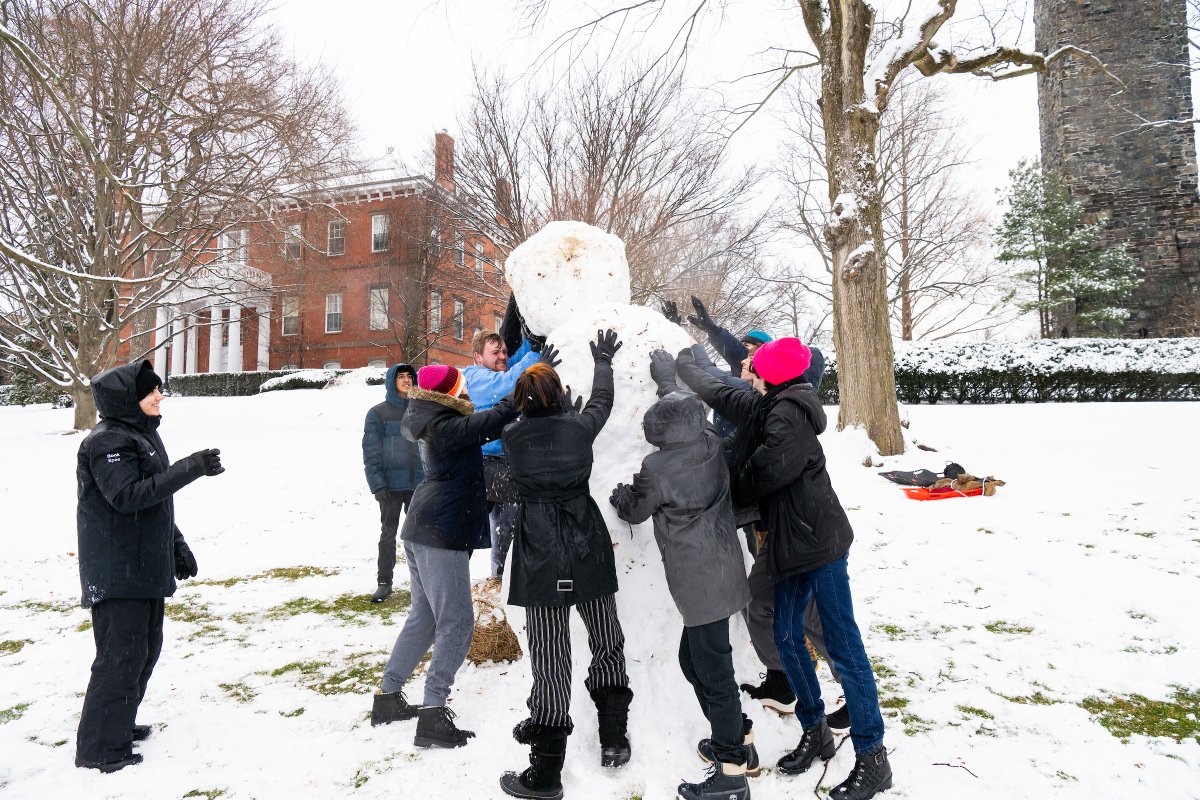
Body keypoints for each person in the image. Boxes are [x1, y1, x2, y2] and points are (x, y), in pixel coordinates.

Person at [675, 340, 892, 800]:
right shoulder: (769, 402)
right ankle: (815, 730)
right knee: (789, 637)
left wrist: (715, 479)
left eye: (753, 366)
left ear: (772, 376)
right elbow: (722, 393)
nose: (745, 370)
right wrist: (685, 363)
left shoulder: (787, 416)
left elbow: (761, 476)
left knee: (844, 646)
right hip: (788, 545)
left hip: (819, 544)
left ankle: (874, 758)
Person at [499, 330, 632, 800]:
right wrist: (602, 360)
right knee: (606, 635)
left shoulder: (512, 436)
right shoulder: (578, 428)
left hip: (539, 552)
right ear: (559, 395)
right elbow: (603, 400)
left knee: (551, 658)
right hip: (585, 542)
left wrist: (533, 364)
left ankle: (547, 770)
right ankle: (614, 739)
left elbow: (519, 414)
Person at [75, 360, 224, 772]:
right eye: (150, 391)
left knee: (144, 650)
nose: (159, 396)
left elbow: (155, 499)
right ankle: (100, 748)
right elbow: (127, 496)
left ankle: (117, 723)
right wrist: (191, 468)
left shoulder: (140, 436)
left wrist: (176, 544)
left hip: (141, 564)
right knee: (120, 656)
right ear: (128, 399)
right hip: (117, 568)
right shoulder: (108, 441)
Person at [610, 382, 755, 800]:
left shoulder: (657, 467)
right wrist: (666, 382)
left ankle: (731, 774)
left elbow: (636, 509)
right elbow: (691, 415)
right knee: (693, 662)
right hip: (724, 568)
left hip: (699, 580)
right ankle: (739, 743)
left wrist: (622, 496)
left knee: (715, 674)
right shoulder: (710, 441)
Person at [371, 363, 520, 745]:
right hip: (441, 531)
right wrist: (528, 379)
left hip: (424, 525)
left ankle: (388, 697)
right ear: (449, 391)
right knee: (456, 622)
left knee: (425, 616)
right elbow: (495, 418)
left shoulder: (429, 416)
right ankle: (433, 714)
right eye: (462, 385)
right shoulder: (445, 425)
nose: (467, 389)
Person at [462, 296, 545, 578]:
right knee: (505, 525)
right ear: (478, 357)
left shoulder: (501, 366)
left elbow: (519, 359)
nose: (502, 357)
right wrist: (536, 355)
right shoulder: (477, 378)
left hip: (507, 461)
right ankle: (501, 579)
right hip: (488, 462)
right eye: (494, 353)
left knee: (509, 521)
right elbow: (509, 382)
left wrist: (532, 340)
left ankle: (506, 575)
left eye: (503, 352)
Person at [362, 363, 425, 602]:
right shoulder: (378, 413)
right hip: (390, 486)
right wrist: (377, 484)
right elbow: (371, 451)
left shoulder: (421, 409)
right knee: (388, 534)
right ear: (392, 381)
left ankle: (422, 582)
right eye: (401, 377)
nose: (407, 380)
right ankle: (384, 582)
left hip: (419, 485)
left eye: (410, 376)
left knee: (420, 536)